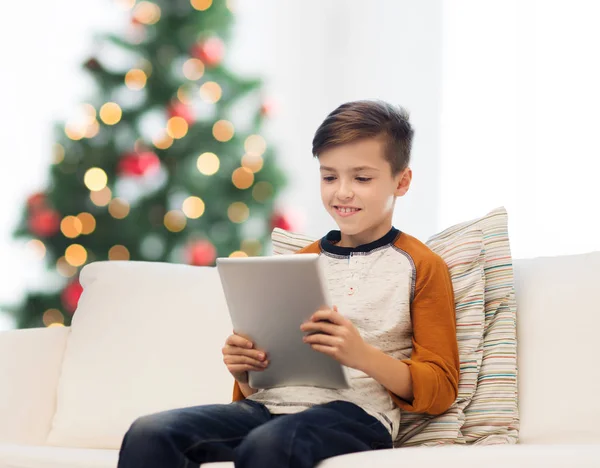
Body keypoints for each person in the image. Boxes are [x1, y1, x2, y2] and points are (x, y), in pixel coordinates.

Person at [117, 100, 460, 468]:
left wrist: (362, 356)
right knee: (149, 432)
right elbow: (261, 387)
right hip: (268, 408)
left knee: (269, 444)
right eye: (329, 177)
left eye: (361, 178)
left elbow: (440, 388)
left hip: (356, 415)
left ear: (401, 181)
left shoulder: (421, 265)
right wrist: (243, 370)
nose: (342, 192)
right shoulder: (296, 265)